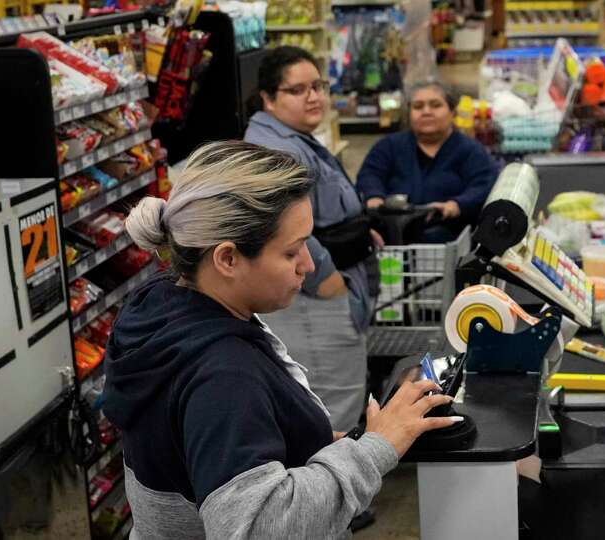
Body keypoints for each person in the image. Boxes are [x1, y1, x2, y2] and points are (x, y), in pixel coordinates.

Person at [102, 141, 462, 538]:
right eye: (291, 252)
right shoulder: (222, 374)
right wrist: (375, 449)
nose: (307, 264)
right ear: (227, 259)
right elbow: (256, 527)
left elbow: (209, 450)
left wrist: (315, 442)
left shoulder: (165, 304)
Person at [244, 46, 379, 433]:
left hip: (330, 291)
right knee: (329, 415)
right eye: (298, 89)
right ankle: (334, 492)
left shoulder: (293, 137)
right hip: (313, 304)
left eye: (318, 85)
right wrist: (325, 280)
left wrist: (359, 231)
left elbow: (319, 208)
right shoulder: (278, 149)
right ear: (268, 98)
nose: (314, 96)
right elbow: (280, 224)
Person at [356, 80, 497, 243]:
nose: (426, 112)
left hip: (449, 243)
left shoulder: (471, 151)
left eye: (436, 105)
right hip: (393, 243)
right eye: (418, 106)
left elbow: (483, 185)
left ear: (452, 111)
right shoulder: (388, 147)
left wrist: (457, 204)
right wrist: (374, 197)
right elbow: (370, 175)